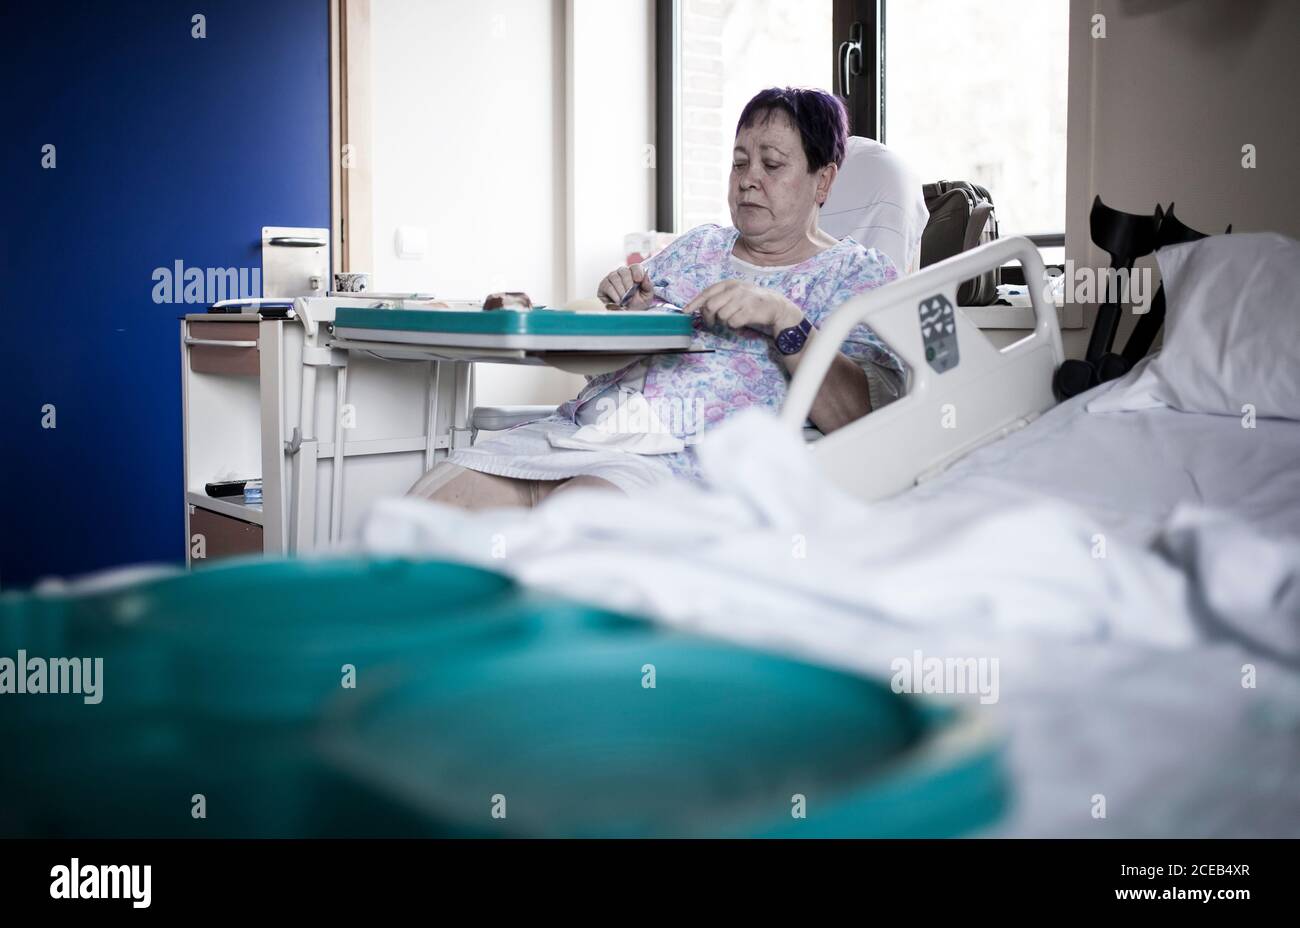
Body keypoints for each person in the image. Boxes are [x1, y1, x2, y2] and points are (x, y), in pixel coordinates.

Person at [410, 87, 904, 510]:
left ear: (825, 180)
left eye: (772, 164)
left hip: (684, 459)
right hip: (581, 434)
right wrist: (627, 313)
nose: (749, 178)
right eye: (739, 163)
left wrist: (785, 321)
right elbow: (602, 372)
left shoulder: (856, 274)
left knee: (571, 522)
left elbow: (865, 421)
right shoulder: (698, 247)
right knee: (425, 511)